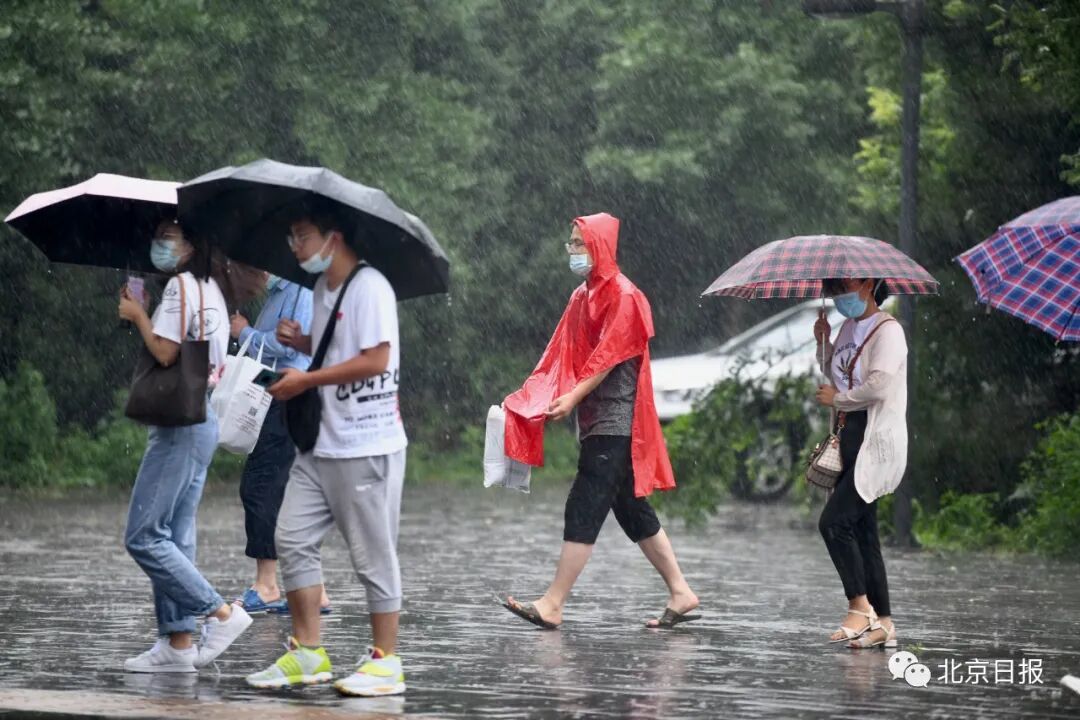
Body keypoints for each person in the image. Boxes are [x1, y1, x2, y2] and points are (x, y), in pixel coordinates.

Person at [501, 212, 699, 630]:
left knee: (585, 504)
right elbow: (560, 353)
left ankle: (553, 603)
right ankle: (681, 592)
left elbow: (607, 359)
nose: (572, 250)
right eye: (571, 243)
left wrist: (573, 396)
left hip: (617, 422)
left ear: (599, 247)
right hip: (596, 421)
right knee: (631, 509)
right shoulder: (582, 296)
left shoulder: (625, 295)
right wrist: (532, 399)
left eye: (579, 243)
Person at [245, 204, 408, 697]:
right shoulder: (321, 290)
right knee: (291, 537)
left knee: (373, 555)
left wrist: (307, 380)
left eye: (303, 236)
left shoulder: (371, 286)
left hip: (367, 442)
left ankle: (386, 662)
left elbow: (376, 358)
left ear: (332, 238)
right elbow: (338, 346)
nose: (295, 247)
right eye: (291, 237)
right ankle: (308, 652)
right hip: (321, 444)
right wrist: (304, 339)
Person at [117, 220, 252, 673]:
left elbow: (165, 353)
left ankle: (221, 614)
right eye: (156, 235)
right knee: (174, 537)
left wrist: (138, 315)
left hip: (178, 424)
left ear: (191, 245)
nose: (159, 243)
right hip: (201, 417)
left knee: (142, 536)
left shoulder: (178, 287)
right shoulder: (212, 288)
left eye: (168, 236)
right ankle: (177, 644)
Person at [228, 272, 333, 615]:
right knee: (290, 492)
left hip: (288, 397)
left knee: (261, 486)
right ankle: (314, 591)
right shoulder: (278, 294)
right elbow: (269, 359)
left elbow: (287, 349)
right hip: (275, 391)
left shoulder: (300, 289)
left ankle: (267, 585)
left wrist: (243, 332)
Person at [813, 277, 908, 649]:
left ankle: (859, 606)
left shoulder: (889, 331)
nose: (839, 296)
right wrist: (823, 342)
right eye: (834, 290)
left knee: (834, 523)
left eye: (844, 287)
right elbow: (837, 375)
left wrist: (839, 399)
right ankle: (883, 623)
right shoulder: (848, 328)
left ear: (868, 284)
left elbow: (879, 385)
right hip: (849, 436)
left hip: (875, 441)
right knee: (865, 531)